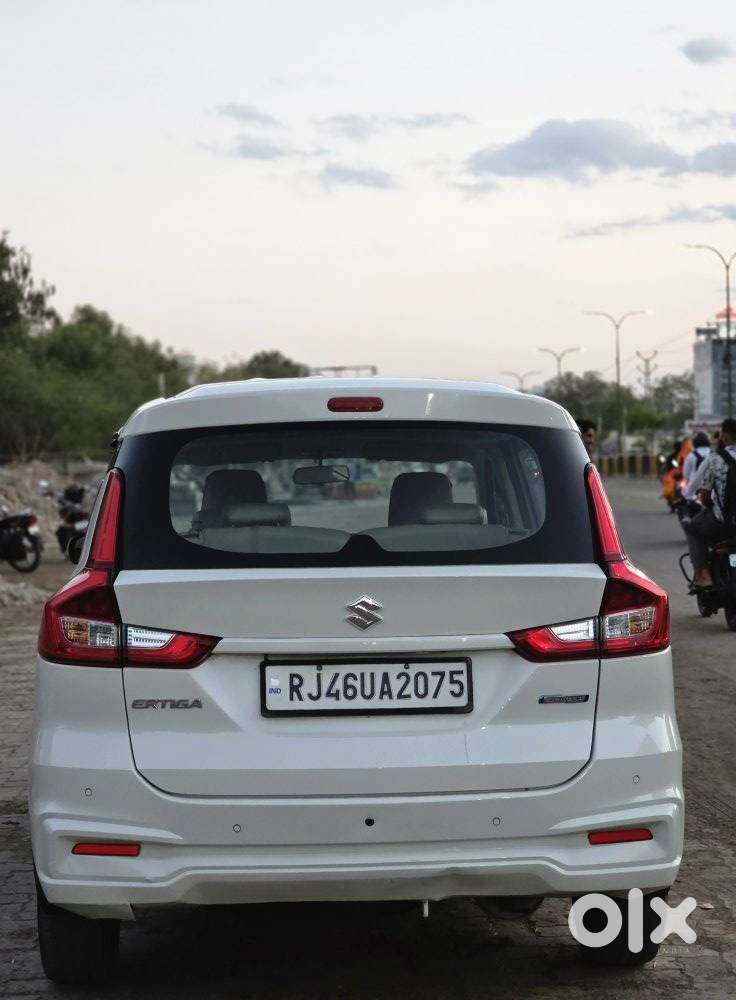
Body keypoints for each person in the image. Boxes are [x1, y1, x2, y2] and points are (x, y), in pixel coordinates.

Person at [683, 418, 736, 590]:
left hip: (723, 521)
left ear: (725, 437)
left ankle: (703, 574)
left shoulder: (715, 459)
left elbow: (705, 497)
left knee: (692, 528)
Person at [682, 431, 711, 500]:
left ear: (694, 443)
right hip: (710, 489)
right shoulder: (714, 454)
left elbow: (686, 475)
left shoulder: (691, 456)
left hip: (694, 489)